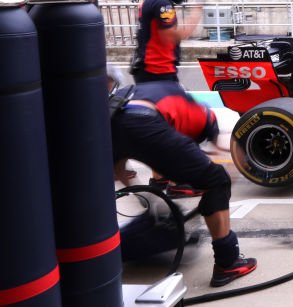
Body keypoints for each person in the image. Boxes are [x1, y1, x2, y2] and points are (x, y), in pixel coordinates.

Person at [108, 70, 258, 288]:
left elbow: (120, 167)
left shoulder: (139, 91)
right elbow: (211, 148)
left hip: (111, 123)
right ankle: (228, 263)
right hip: (145, 123)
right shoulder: (202, 113)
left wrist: (146, 202)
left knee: (189, 169)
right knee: (217, 181)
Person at [130, 0, 201, 84]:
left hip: (154, 70)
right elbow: (170, 36)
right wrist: (195, 17)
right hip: (157, 71)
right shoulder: (162, 3)